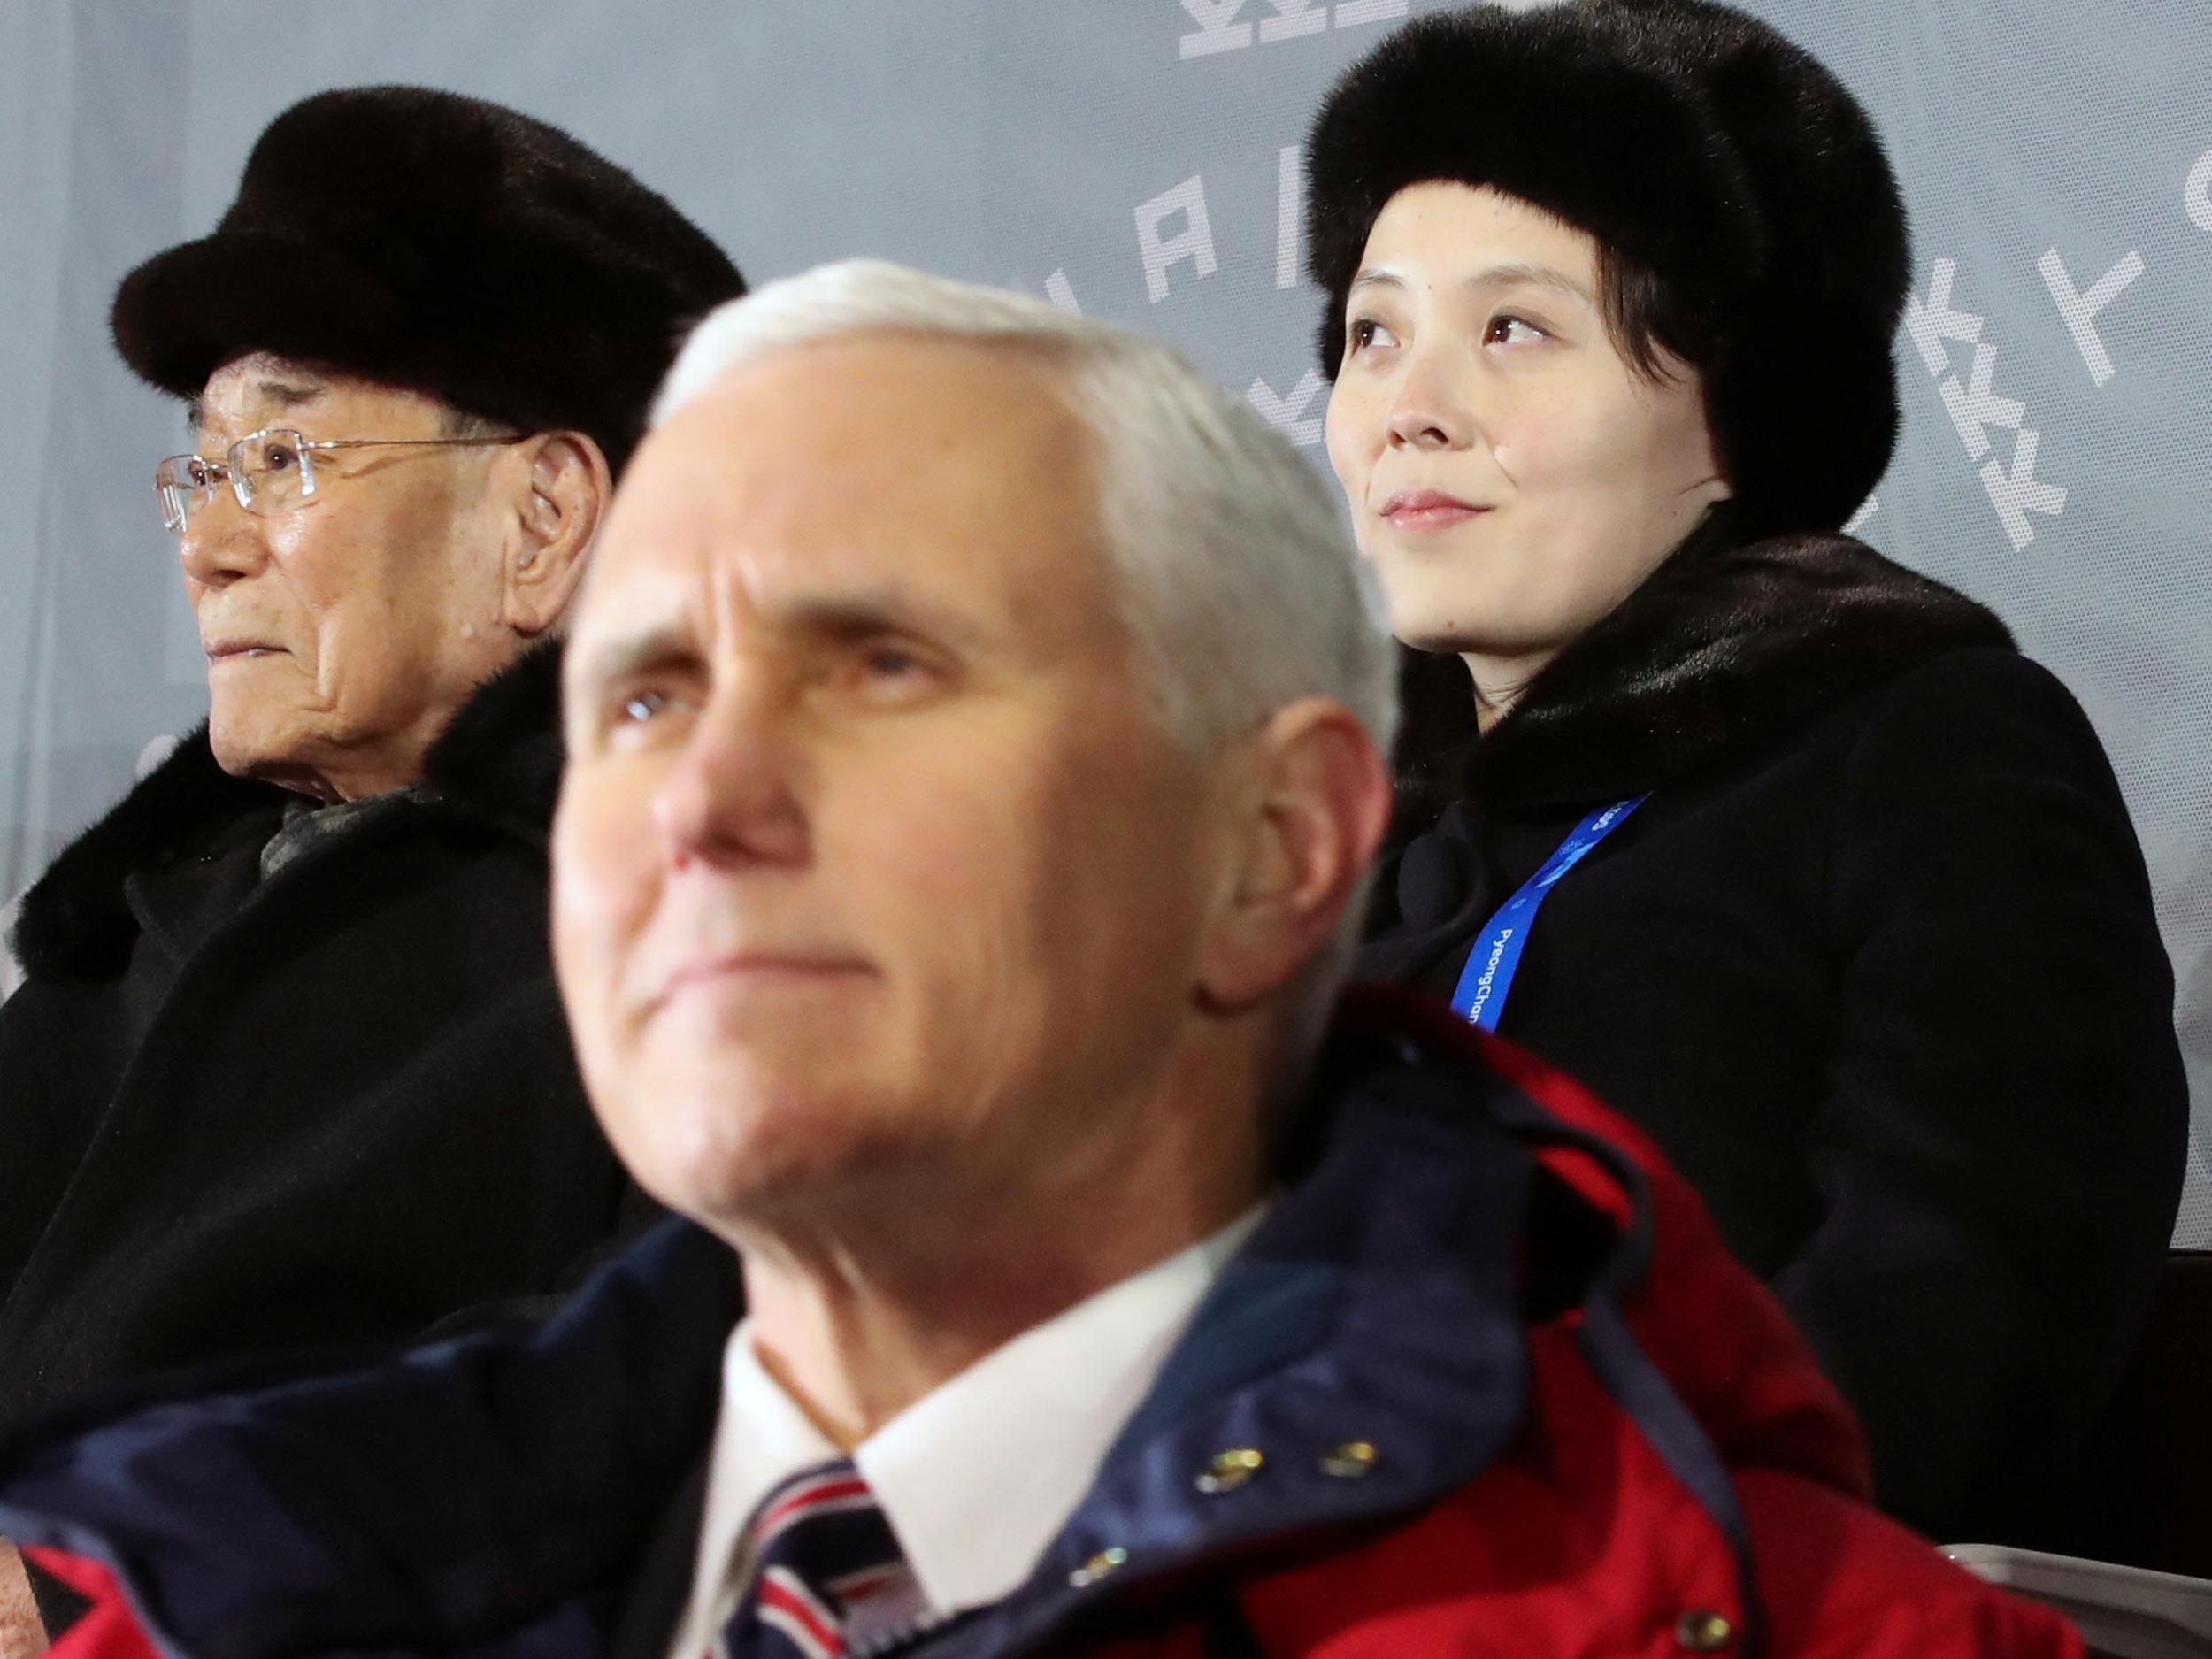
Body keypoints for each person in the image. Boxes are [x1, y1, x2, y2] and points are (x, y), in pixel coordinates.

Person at [0, 265, 2076, 1659]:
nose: (704, 797)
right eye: (636, 700)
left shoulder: (1757, 1614)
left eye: (883, 664)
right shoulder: (177, 1578)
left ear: (1271, 850)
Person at [1308, 0, 2187, 1540]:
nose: (1407, 408)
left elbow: (1969, 1287)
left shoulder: (1926, 744)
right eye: (1372, 333)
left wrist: (1603, 1578)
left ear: (1734, 415)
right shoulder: (1333, 831)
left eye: (1512, 330)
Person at [0, 85, 744, 1415]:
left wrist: (122, 1572)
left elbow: (652, 1394)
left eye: (284, 459)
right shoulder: (114, 947)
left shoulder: (697, 933)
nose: (207, 548)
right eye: (201, 473)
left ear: (544, 516)